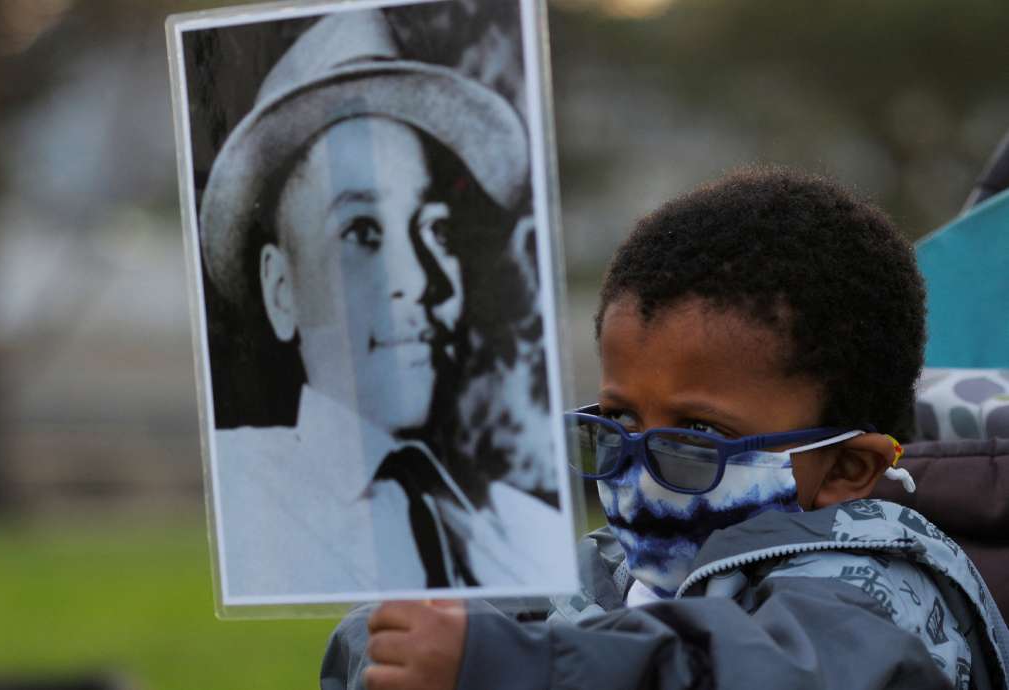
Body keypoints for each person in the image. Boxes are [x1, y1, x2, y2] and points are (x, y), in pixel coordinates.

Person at [321, 167, 1009, 688]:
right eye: (618, 421)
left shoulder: (882, 595)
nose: (639, 478)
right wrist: (391, 643)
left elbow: (757, 673)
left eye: (696, 436)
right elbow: (499, 624)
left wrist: (516, 667)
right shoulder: (620, 564)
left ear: (845, 470)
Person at [200, 9, 571, 599]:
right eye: (363, 234)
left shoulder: (528, 535)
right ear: (280, 288)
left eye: (438, 235)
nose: (422, 283)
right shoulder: (237, 496)